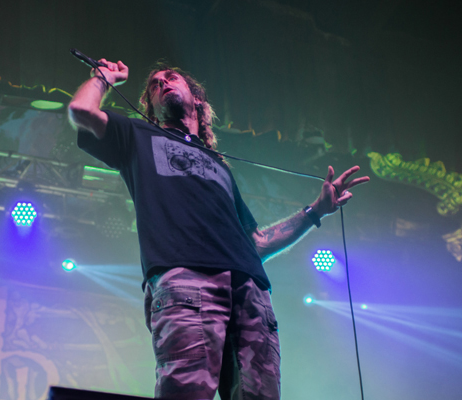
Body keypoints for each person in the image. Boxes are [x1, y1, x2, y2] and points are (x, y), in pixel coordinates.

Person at [68, 59, 369, 400]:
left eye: (171, 77)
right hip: (185, 279)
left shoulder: (221, 169)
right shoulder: (138, 136)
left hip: (250, 290)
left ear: (197, 98)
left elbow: (257, 242)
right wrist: (104, 77)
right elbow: (82, 111)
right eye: (154, 84)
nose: (162, 82)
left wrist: (316, 211)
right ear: (150, 108)